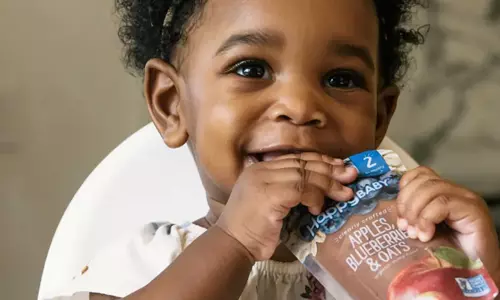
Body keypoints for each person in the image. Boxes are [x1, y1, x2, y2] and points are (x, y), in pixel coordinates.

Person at [44, 0, 500, 299]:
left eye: (341, 79)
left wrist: (471, 275)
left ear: (380, 118)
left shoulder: (403, 262)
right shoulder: (147, 264)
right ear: (171, 103)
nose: (301, 107)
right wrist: (234, 242)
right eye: (251, 68)